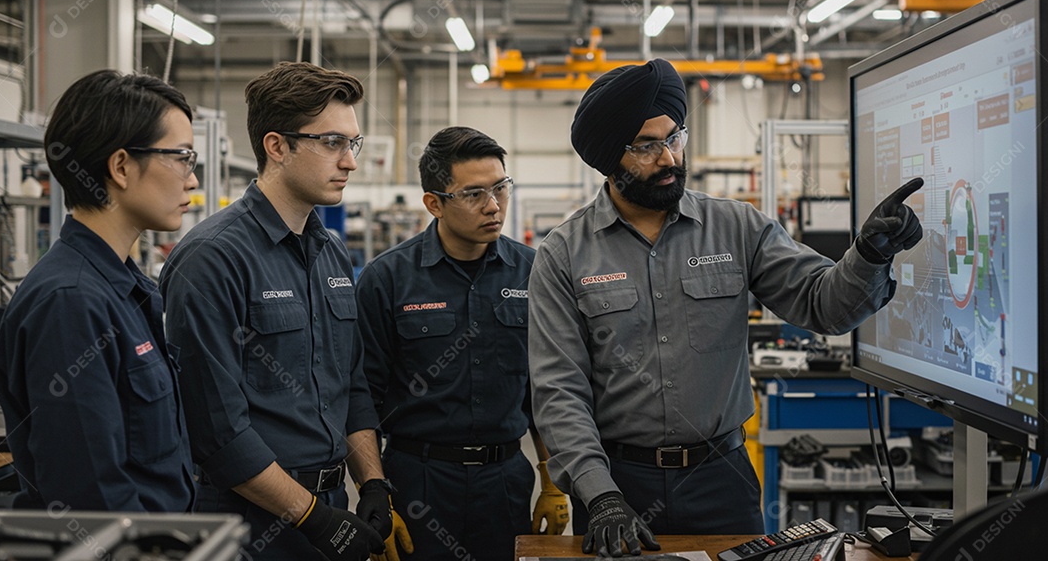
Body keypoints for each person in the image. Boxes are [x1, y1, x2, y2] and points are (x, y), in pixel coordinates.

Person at [527, 58, 924, 557]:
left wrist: (868, 254)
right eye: (647, 147)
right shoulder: (563, 255)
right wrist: (599, 494)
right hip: (617, 485)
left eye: (674, 138)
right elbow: (558, 390)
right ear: (611, 159)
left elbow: (825, 307)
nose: (669, 158)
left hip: (722, 481)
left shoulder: (737, 227)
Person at [159, 62, 392, 561]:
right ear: (277, 146)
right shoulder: (212, 259)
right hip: (248, 522)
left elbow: (349, 385)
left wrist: (371, 483)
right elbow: (218, 431)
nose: (350, 161)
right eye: (332, 142)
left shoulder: (330, 252)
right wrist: (314, 519)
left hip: (328, 506)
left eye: (354, 142)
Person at [355, 126, 569, 561]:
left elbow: (545, 388)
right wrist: (374, 491)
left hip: (506, 481)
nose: (494, 207)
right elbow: (361, 397)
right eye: (473, 194)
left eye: (501, 188)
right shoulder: (388, 280)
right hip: (418, 481)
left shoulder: (534, 272)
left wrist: (552, 480)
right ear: (434, 203)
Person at [0, 70, 198, 511]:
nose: (193, 179)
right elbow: (92, 500)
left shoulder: (125, 289)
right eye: (182, 157)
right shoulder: (71, 303)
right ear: (121, 167)